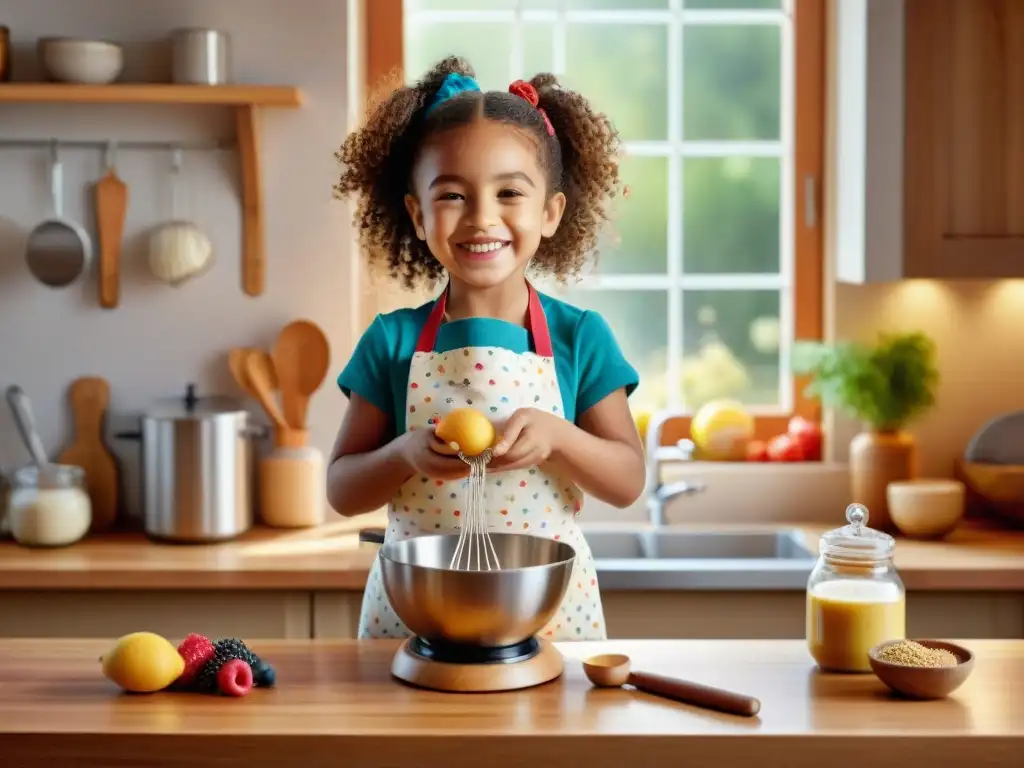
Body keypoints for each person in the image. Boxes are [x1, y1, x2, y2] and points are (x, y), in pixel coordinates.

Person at [329, 56, 646, 642]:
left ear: (550, 213)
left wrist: (558, 437)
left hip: (547, 616)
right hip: (414, 614)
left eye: (508, 193)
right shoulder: (390, 342)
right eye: (451, 194)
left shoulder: (581, 337)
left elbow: (626, 480)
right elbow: (343, 490)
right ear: (417, 214)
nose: (481, 218)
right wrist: (403, 454)